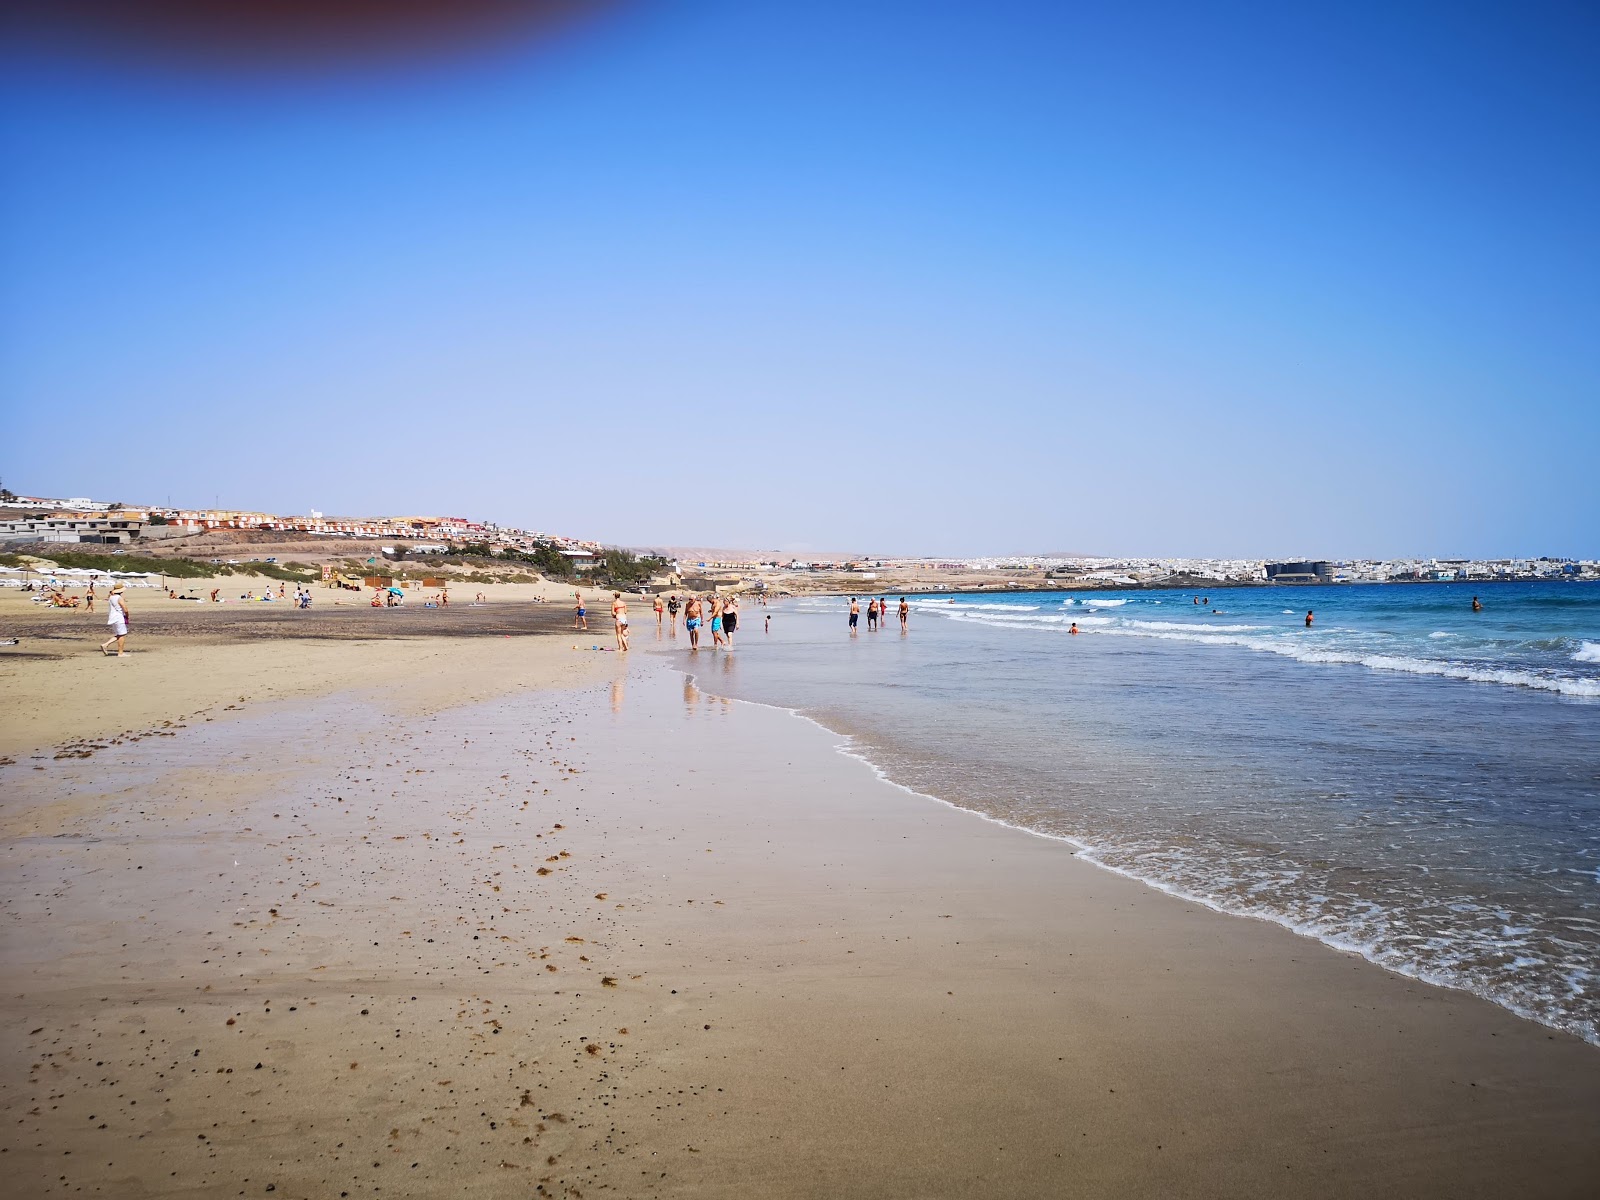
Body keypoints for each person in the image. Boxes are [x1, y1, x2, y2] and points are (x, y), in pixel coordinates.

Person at [100, 583, 130, 657]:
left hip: (113, 617)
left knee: (120, 634)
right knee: (122, 635)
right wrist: (127, 616)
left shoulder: (111, 597)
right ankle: (120, 653)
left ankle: (105, 645)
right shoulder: (119, 598)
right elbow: (125, 608)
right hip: (118, 617)